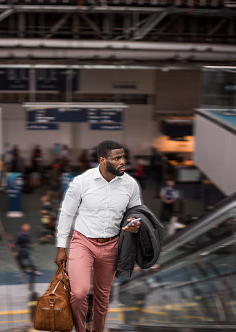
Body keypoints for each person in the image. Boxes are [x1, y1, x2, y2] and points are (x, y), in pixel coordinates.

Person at [55, 140, 142, 332]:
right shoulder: (82, 182)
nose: (122, 162)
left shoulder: (130, 185)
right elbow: (67, 213)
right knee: (79, 293)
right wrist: (61, 247)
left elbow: (135, 212)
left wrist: (135, 223)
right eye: (117, 158)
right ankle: (80, 329)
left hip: (112, 244)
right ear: (103, 160)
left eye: (123, 157)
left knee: (103, 297)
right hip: (83, 242)